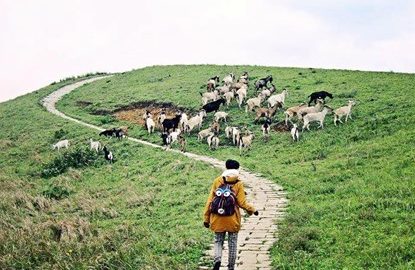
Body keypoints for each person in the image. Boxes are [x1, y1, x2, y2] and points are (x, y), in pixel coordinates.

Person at [203, 159, 258, 270]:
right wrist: (252, 210)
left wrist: (206, 218)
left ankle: (217, 260)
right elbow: (242, 203)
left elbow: (210, 200)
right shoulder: (238, 183)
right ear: (237, 169)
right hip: (232, 219)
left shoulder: (217, 181)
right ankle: (231, 267)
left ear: (226, 168)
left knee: (218, 241)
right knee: (232, 244)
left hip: (217, 218)